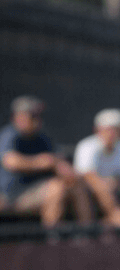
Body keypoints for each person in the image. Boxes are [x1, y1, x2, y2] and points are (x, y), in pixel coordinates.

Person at [0, 95, 88, 227]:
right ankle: (52, 235)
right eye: (32, 116)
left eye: (38, 116)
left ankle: (86, 231)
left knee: (76, 184)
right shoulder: (10, 135)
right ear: (18, 117)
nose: (37, 120)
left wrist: (66, 170)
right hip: (13, 195)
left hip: (36, 189)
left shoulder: (42, 137)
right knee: (55, 188)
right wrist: (40, 162)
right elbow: (11, 162)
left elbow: (58, 160)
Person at [73, 108, 120, 228]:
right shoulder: (86, 146)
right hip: (87, 193)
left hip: (117, 192)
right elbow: (87, 176)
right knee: (94, 185)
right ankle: (110, 215)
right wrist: (106, 184)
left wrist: (115, 182)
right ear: (98, 130)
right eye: (108, 129)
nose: (112, 133)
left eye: (116, 129)